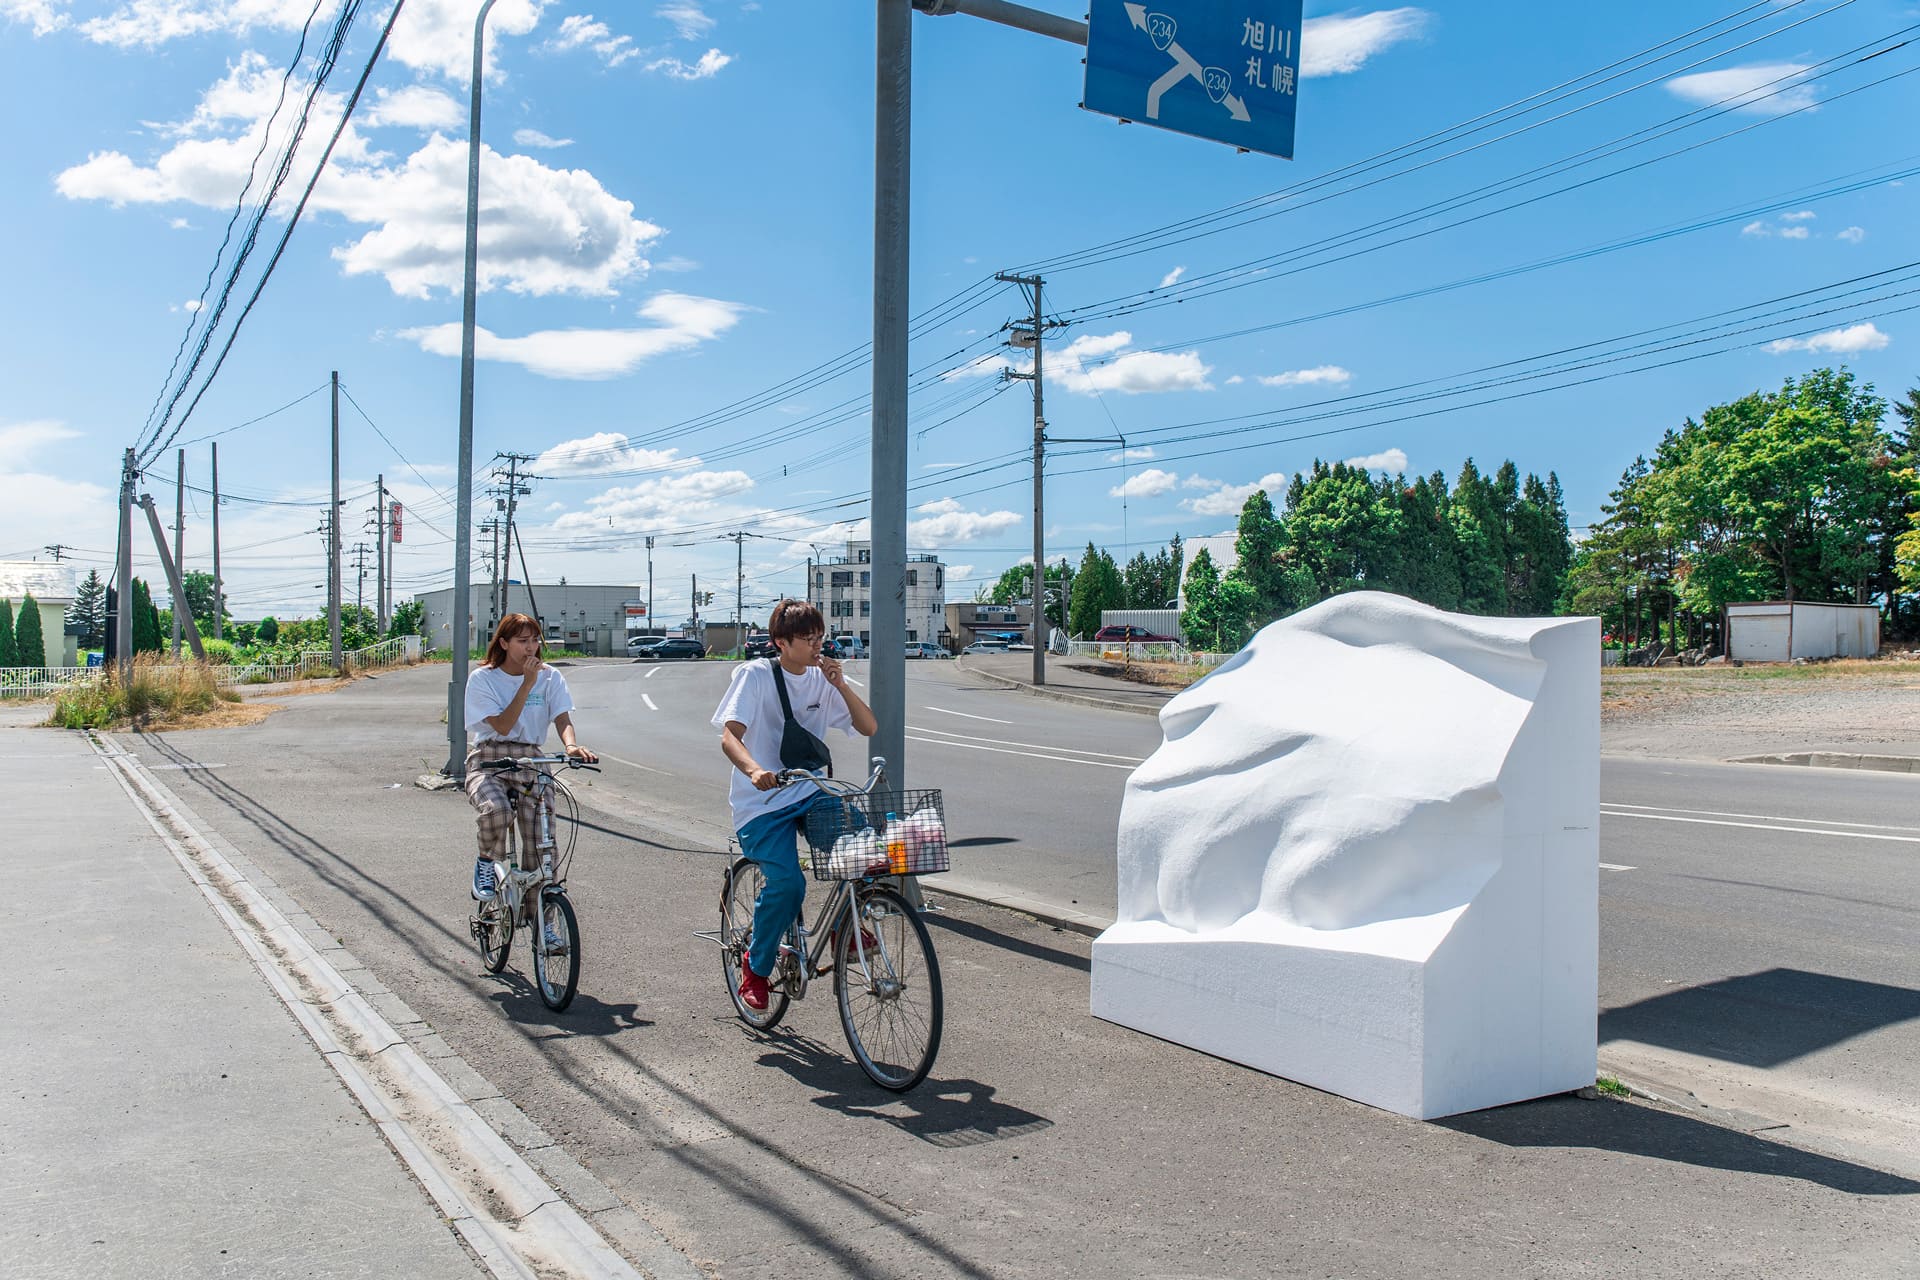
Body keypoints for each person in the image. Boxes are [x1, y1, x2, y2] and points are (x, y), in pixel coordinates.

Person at [713, 598, 877, 1011]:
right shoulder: (755, 675)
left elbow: (869, 726)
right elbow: (729, 736)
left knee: (861, 850)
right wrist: (753, 770)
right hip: (761, 803)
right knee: (789, 885)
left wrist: (840, 684)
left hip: (809, 791)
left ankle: (845, 931)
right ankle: (756, 963)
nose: (816, 646)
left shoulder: (824, 678)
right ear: (780, 643)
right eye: (807, 639)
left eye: (820, 637)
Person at [465, 613, 597, 909]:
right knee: (495, 810)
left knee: (543, 841)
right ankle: (486, 862)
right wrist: (527, 684)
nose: (531, 648)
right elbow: (501, 726)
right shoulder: (483, 678)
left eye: (535, 640)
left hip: (531, 759)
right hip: (488, 758)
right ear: (503, 643)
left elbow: (562, 716)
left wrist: (572, 745)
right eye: (522, 641)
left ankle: (544, 922)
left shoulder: (551, 676)